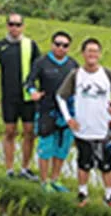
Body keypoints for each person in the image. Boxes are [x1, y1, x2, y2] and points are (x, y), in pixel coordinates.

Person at [56, 37, 111, 209]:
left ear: (100, 54)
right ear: (83, 54)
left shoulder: (107, 74)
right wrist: (68, 118)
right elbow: (60, 96)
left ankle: (110, 196)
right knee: (84, 163)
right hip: (83, 129)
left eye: (95, 51)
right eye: (89, 51)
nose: (92, 55)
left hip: (104, 128)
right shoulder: (76, 75)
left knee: (106, 164)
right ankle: (82, 193)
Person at [0, 12, 41, 180]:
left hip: (28, 97)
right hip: (9, 97)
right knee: (10, 131)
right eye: (11, 24)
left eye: (18, 24)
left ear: (23, 26)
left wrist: (40, 93)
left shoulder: (31, 45)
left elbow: (40, 70)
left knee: (29, 132)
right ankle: (9, 169)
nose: (14, 28)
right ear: (7, 26)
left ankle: (25, 168)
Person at [24, 31, 79, 192]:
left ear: (69, 48)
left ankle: (55, 179)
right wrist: (33, 92)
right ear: (52, 45)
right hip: (46, 110)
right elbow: (29, 82)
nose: (61, 48)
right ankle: (44, 181)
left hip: (67, 112)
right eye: (58, 44)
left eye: (65, 45)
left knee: (62, 148)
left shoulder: (73, 65)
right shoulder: (41, 62)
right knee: (46, 147)